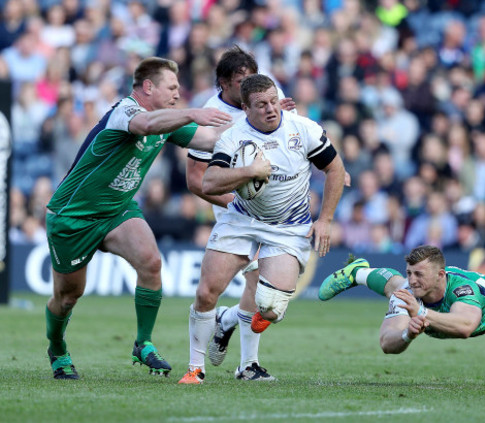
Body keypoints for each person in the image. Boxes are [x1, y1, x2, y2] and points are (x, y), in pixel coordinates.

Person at [44, 57, 232, 380]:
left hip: (117, 209)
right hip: (73, 216)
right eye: (171, 87)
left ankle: (142, 343)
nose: (177, 93)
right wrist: (189, 112)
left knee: (151, 262)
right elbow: (146, 126)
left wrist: (261, 126)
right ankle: (57, 348)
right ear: (148, 87)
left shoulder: (167, 122)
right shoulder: (126, 111)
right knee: (68, 296)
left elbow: (208, 139)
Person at [182, 73, 345, 383]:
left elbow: (335, 169)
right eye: (261, 105)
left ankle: (226, 320)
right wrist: (249, 171)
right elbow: (209, 181)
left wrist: (325, 219)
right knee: (206, 293)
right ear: (246, 108)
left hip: (288, 226)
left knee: (270, 309)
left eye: (273, 101)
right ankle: (195, 370)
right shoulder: (232, 136)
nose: (271, 109)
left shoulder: (303, 128)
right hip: (241, 219)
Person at [180, 46, 296, 384]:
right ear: (223, 84)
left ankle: (236, 342)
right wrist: (239, 201)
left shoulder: (266, 96)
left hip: (275, 211)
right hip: (235, 212)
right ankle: (203, 364)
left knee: (267, 297)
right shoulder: (210, 115)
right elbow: (195, 180)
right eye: (242, 82)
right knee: (211, 290)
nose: (253, 89)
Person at [318, 245, 485, 353]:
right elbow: (387, 343)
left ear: (440, 275)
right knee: (396, 287)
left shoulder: (464, 292)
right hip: (427, 305)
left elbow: (465, 327)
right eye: (410, 272)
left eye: (419, 273)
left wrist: (422, 314)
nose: (413, 279)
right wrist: (407, 335)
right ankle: (358, 272)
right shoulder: (408, 291)